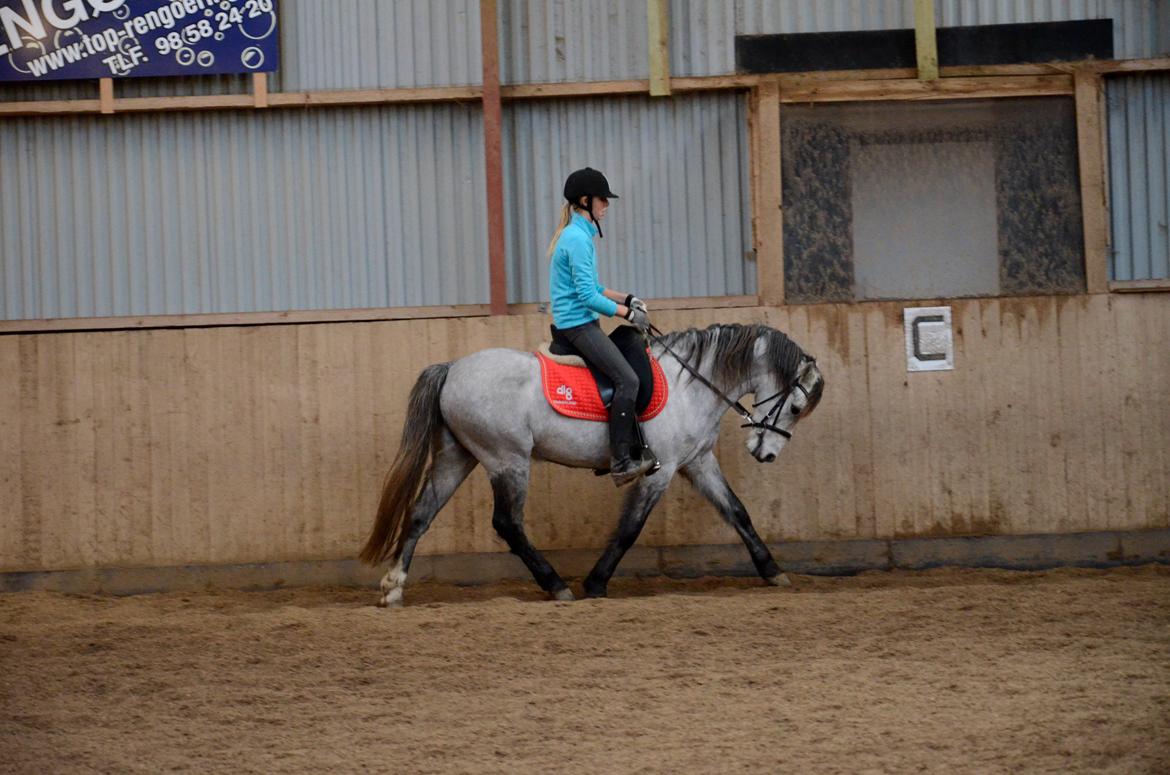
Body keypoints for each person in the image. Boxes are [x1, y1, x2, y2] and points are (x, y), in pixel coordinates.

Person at [547, 167, 656, 487]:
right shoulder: (577, 240)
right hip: (578, 327)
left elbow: (595, 286)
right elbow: (586, 296)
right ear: (585, 201)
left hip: (582, 322)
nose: (606, 205)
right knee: (627, 379)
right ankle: (622, 461)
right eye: (603, 200)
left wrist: (629, 298)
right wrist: (626, 314)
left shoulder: (578, 235)